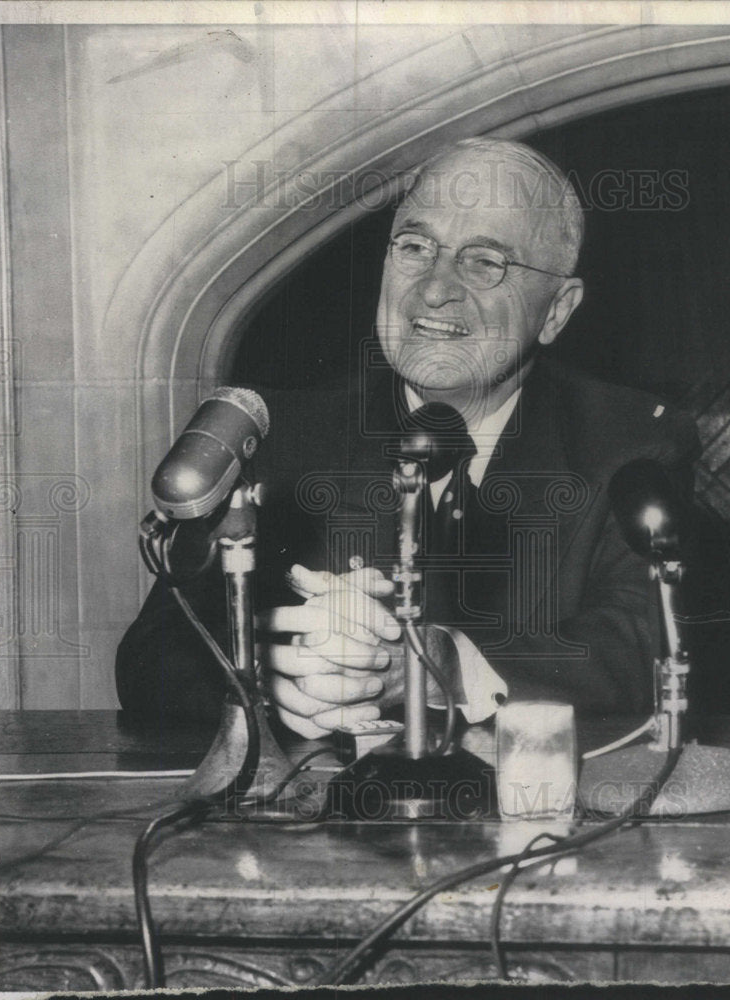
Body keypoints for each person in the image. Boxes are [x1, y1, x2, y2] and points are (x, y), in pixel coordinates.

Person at [116, 137, 700, 738]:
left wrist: (443, 665)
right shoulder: (279, 435)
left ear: (556, 310)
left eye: (484, 262)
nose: (433, 289)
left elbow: (644, 647)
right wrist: (264, 679)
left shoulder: (628, 443)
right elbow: (154, 655)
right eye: (416, 247)